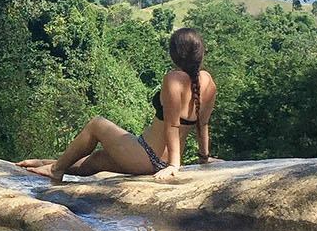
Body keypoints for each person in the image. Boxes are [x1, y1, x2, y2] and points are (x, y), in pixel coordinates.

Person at [19, 27, 215, 184]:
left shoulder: (174, 79)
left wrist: (173, 166)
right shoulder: (208, 82)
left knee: (97, 124)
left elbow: (172, 125)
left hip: (147, 155)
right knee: (95, 161)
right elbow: (203, 125)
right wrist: (204, 158)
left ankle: (55, 170)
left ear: (175, 55)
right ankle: (47, 163)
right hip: (155, 159)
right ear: (200, 54)